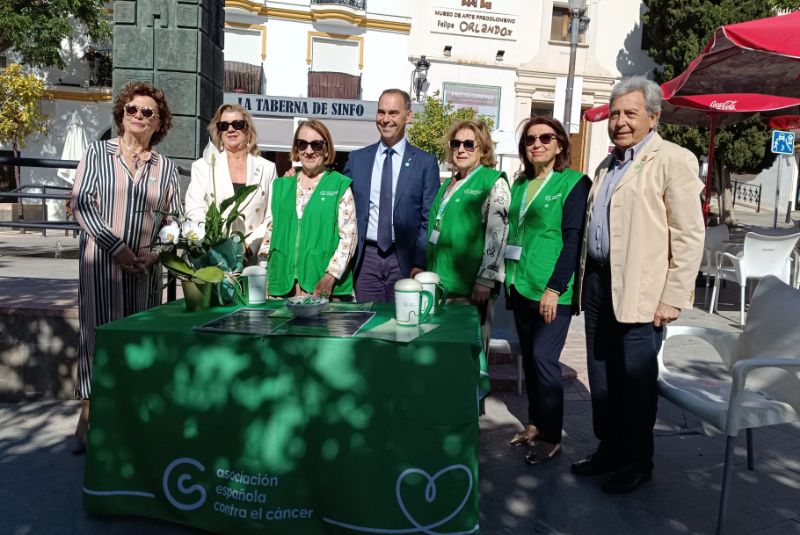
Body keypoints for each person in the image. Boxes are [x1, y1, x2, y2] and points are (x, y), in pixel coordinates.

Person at [573, 76, 704, 493]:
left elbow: (688, 234)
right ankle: (609, 448)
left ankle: (637, 460)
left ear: (653, 116)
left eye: (630, 113)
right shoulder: (608, 164)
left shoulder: (673, 159)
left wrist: (673, 296)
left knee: (635, 379)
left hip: (641, 288)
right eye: (614, 114)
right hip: (597, 280)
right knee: (601, 372)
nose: (620, 121)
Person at [70, 82, 181, 454]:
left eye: (148, 112)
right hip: (101, 264)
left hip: (145, 273)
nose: (139, 116)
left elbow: (175, 222)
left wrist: (155, 255)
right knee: (96, 338)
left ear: (159, 122)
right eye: (133, 109)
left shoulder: (165, 167)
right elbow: (82, 205)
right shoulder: (98, 153)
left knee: (139, 344)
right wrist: (116, 249)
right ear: (122, 114)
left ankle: (131, 418)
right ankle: (87, 416)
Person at [505, 116, 591, 465]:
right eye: (529, 139)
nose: (536, 143)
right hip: (519, 284)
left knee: (544, 358)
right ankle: (534, 424)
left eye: (545, 137)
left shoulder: (573, 183)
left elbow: (573, 240)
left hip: (552, 290)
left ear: (560, 145)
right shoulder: (519, 184)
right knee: (531, 358)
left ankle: (552, 436)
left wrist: (555, 287)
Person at [343, 89, 440, 302]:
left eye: (393, 113)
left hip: (404, 260)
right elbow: (340, 205)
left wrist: (419, 263)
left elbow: (429, 219)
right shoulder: (357, 159)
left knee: (405, 325)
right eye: (381, 112)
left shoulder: (425, 163)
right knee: (367, 323)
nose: (385, 119)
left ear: (408, 116)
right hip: (365, 259)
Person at [427, 120, 510, 352]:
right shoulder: (450, 184)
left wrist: (485, 280)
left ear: (482, 149)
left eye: (468, 144)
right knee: (444, 356)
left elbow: (498, 233)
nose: (460, 149)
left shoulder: (494, 182)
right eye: (456, 143)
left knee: (468, 358)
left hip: (470, 289)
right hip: (441, 284)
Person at [259, 120, 357, 300]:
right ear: (296, 149)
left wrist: (330, 277)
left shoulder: (340, 185)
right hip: (281, 285)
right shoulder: (280, 185)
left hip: (322, 284)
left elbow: (348, 239)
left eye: (316, 144)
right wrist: (264, 275)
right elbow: (270, 232)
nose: (309, 151)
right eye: (302, 144)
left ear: (327, 149)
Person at [186, 103, 277, 263]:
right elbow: (194, 211)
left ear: (247, 129)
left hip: (253, 259)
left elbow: (272, 215)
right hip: (214, 259)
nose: (231, 129)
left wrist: (248, 245)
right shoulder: (202, 167)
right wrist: (217, 244)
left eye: (237, 124)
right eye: (224, 125)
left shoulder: (267, 168)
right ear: (219, 132)